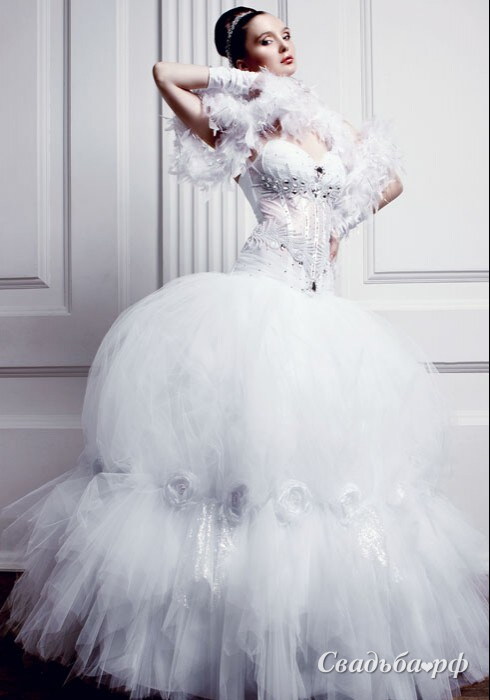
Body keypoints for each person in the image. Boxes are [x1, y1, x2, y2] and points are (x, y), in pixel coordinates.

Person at [0, 6, 488, 700]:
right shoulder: (240, 123)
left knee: (327, 473)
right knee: (251, 472)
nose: (283, 46)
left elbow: (391, 179)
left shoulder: (325, 124)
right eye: (265, 40)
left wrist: (339, 222)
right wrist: (241, 84)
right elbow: (164, 74)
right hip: (259, 297)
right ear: (242, 57)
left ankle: (312, 632)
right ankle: (218, 643)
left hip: (321, 306)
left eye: (285, 36)